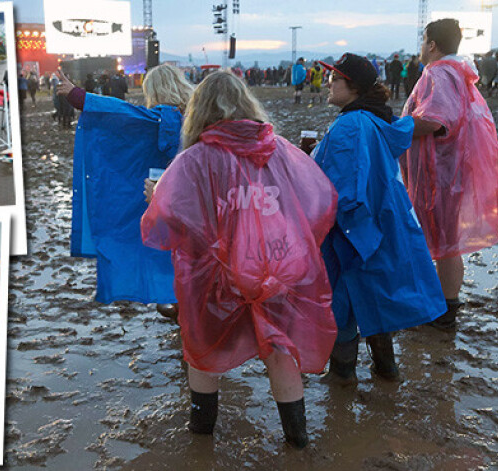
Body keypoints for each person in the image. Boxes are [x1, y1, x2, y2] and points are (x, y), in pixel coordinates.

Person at [141, 71, 339, 448]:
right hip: (277, 268)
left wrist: (156, 197)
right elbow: (319, 199)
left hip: (215, 276)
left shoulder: (195, 158)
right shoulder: (279, 149)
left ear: (198, 110)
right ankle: (298, 441)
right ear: (247, 103)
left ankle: (202, 440)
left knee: (203, 351)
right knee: (279, 350)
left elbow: (173, 220)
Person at [313, 53, 446, 383]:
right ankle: (386, 368)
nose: (328, 84)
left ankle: (342, 373)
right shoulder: (375, 120)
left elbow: (344, 190)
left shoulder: (349, 125)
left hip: (355, 227)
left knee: (345, 296)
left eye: (335, 79)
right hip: (386, 220)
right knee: (375, 293)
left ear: (353, 86)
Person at [56, 64, 193, 307]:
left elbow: (121, 113)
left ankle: (175, 304)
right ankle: (186, 304)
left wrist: (78, 96)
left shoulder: (155, 120)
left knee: (155, 245)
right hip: (196, 203)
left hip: (162, 199)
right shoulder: (197, 120)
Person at [401, 19, 498, 330]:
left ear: (432, 45)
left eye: (423, 40)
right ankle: (446, 306)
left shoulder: (438, 72)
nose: (420, 46)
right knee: (447, 240)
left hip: (439, 170)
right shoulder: (459, 72)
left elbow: (436, 120)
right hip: (452, 166)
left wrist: (394, 127)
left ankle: (443, 309)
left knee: (440, 239)